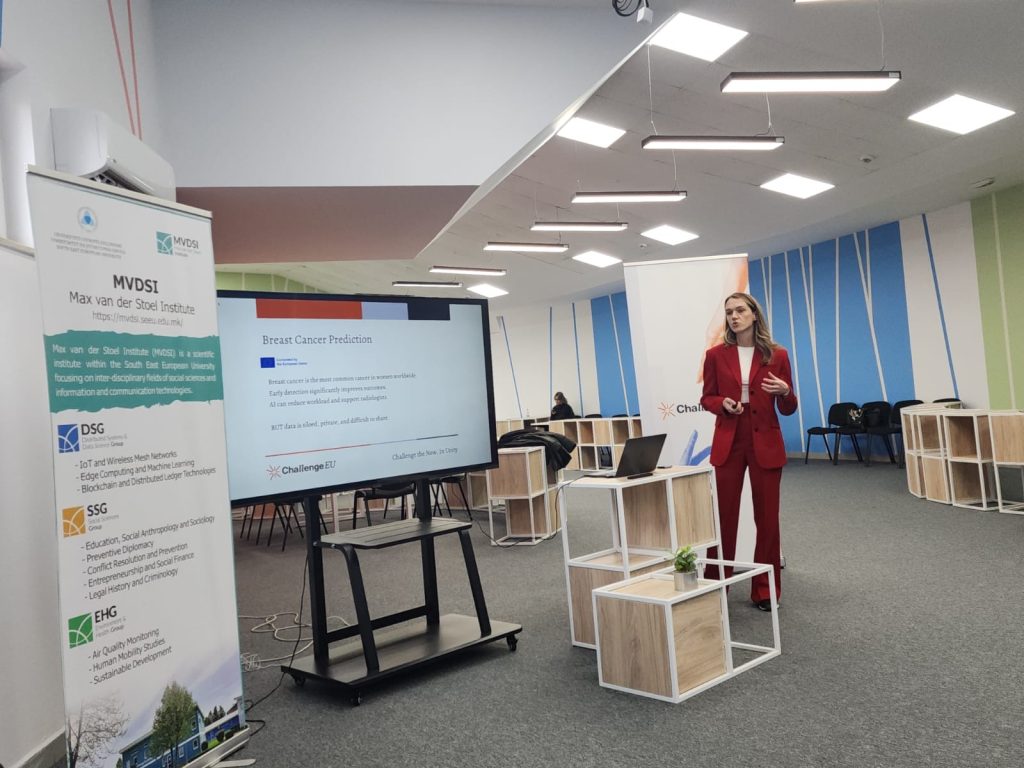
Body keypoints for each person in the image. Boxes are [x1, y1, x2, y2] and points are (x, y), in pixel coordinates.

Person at [700, 292, 797, 611]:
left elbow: (789, 407)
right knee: (723, 518)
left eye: (740, 310)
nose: (734, 316)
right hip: (730, 439)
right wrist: (721, 404)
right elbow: (707, 398)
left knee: (767, 520)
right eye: (729, 312)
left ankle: (766, 590)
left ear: (755, 314)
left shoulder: (777, 355)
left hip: (765, 443)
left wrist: (785, 392)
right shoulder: (715, 355)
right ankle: (715, 585)